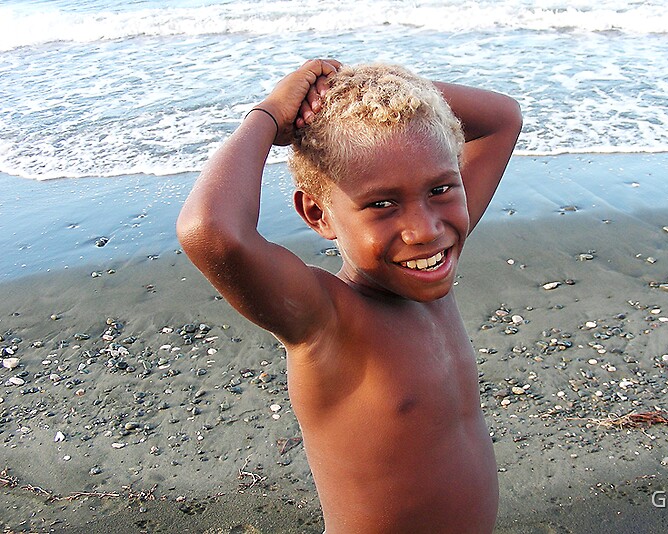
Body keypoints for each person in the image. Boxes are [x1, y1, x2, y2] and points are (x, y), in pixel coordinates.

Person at [177, 58, 522, 533]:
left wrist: (361, 85)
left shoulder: (428, 271)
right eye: (382, 204)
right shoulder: (325, 320)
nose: (423, 229)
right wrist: (270, 116)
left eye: (441, 189)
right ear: (317, 214)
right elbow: (211, 232)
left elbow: (504, 118)